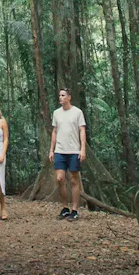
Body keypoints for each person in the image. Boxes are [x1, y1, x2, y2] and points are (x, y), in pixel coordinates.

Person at [49, 87, 86, 220]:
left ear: (69, 97)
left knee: (74, 179)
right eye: (59, 95)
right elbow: (54, 131)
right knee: (60, 178)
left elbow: (82, 130)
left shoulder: (77, 112)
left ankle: (74, 209)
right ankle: (65, 207)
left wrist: (82, 149)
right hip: (60, 150)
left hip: (74, 150)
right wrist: (51, 150)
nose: (61, 97)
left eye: (63, 95)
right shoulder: (56, 113)